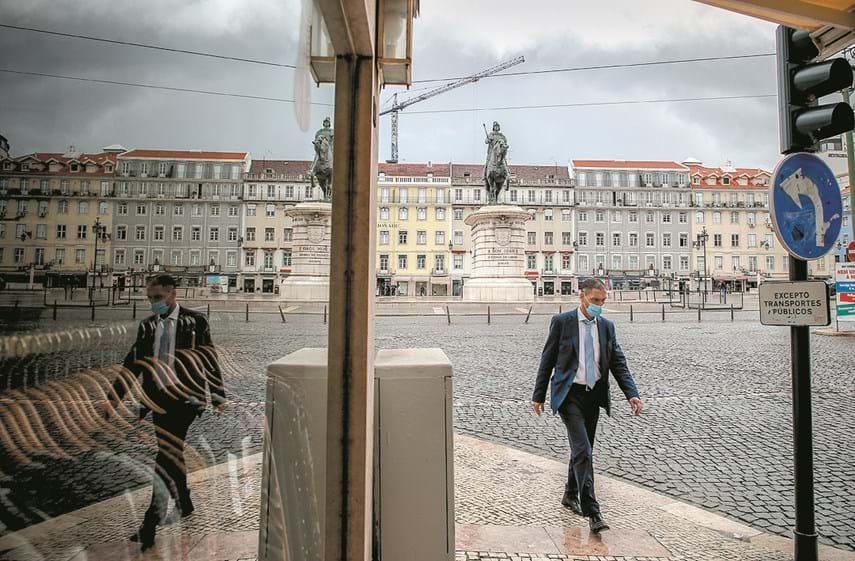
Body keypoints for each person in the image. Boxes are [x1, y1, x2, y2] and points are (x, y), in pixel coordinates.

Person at [106, 274, 226, 551]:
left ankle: (151, 522)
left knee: (165, 455)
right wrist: (113, 399)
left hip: (186, 400)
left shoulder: (195, 321)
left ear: (174, 294)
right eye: (149, 299)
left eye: (157, 298)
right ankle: (184, 500)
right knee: (172, 452)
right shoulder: (147, 326)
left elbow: (209, 358)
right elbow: (133, 364)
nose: (153, 304)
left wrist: (217, 395)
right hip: (157, 400)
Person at [531, 278, 642, 533]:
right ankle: (593, 512)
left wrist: (631, 394)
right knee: (584, 451)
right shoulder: (562, 323)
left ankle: (570, 494)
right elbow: (546, 360)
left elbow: (618, 363)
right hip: (569, 395)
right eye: (595, 301)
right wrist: (539, 395)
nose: (599, 306)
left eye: (603, 301)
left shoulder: (607, 326)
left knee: (583, 449)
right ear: (582, 297)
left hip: (594, 396)